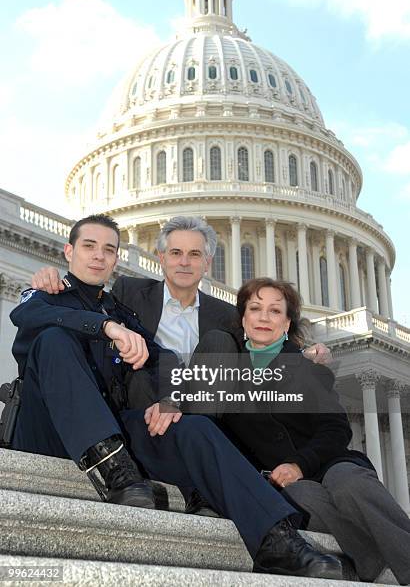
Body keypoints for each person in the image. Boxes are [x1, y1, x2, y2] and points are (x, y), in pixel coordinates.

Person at [10, 214, 343, 580]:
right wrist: (105, 328)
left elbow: (163, 358)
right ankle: (114, 468)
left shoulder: (120, 309)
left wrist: (168, 400)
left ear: (117, 258)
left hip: (113, 430)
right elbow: (26, 313)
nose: (98, 256)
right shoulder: (48, 295)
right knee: (54, 339)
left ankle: (277, 541)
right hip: (47, 427)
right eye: (89, 246)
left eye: (109, 249)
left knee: (195, 427)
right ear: (69, 251)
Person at [219, 277, 410, 585]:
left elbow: (336, 429)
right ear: (242, 318)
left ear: (286, 323)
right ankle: (370, 559)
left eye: (275, 311)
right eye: (255, 309)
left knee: (348, 484)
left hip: (329, 462)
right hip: (284, 480)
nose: (264, 317)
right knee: (300, 495)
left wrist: (300, 464)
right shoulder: (228, 374)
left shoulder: (307, 368)